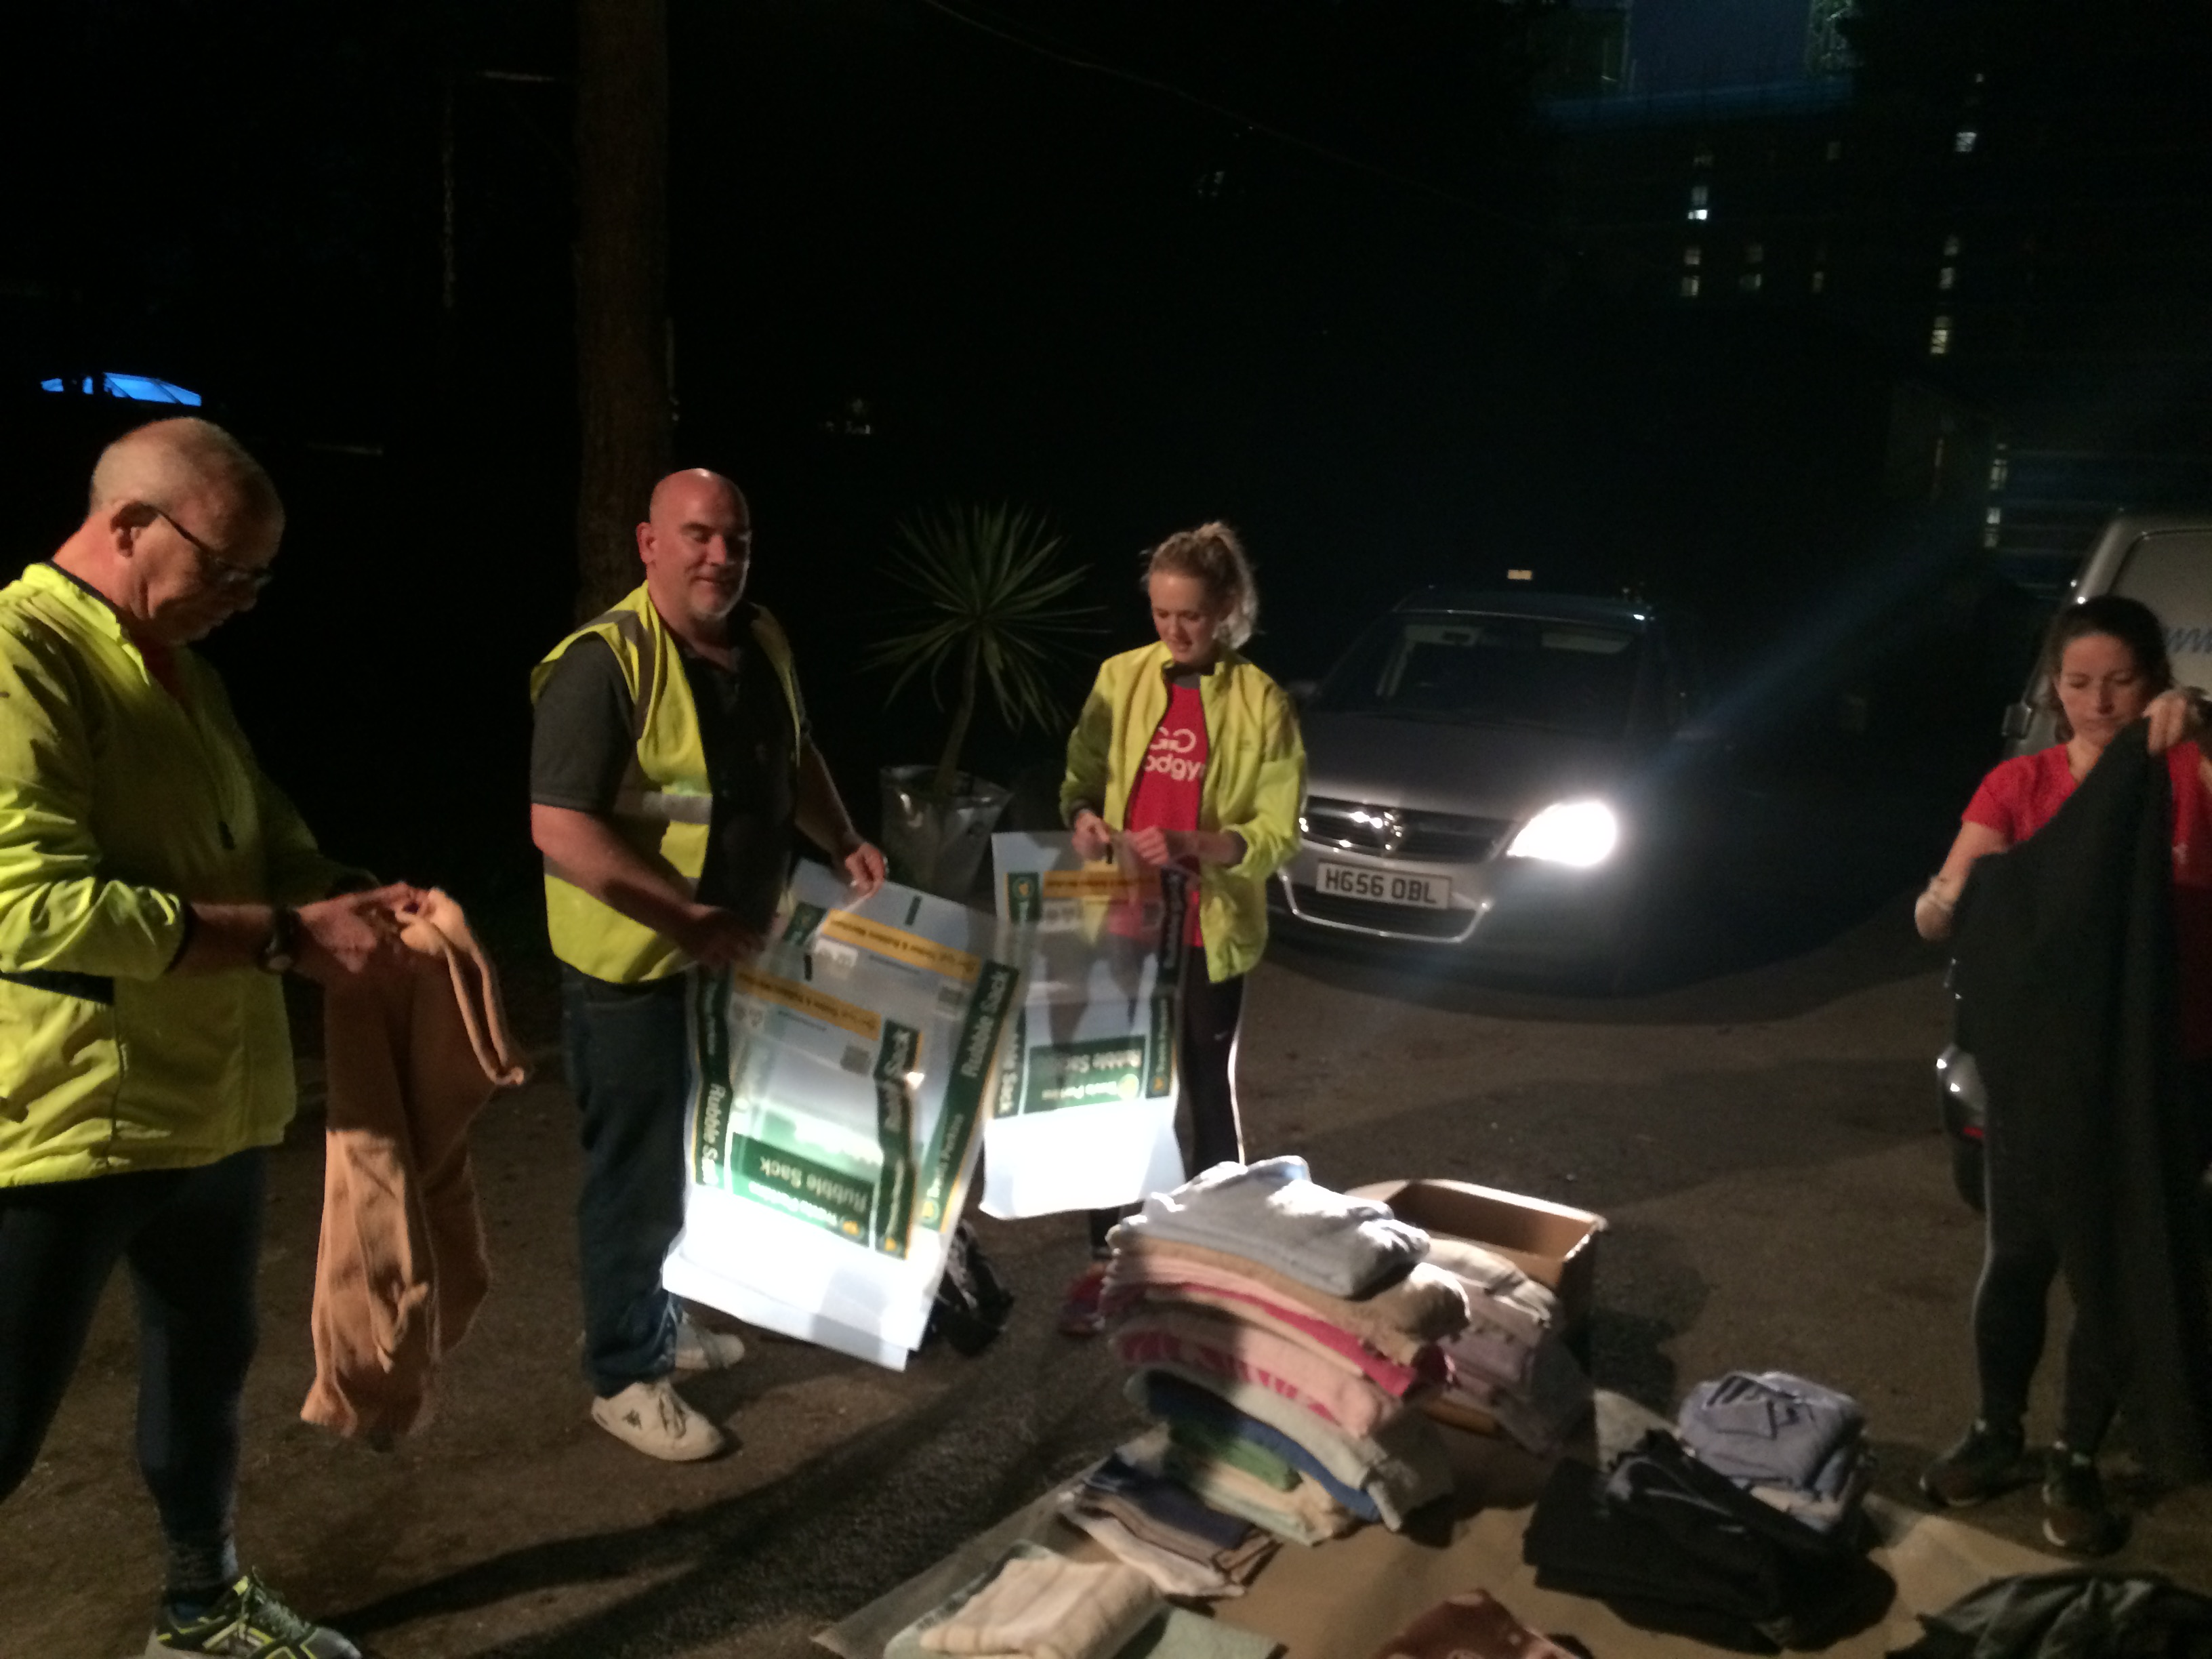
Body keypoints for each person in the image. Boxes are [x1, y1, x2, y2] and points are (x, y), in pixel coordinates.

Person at [0, 418, 424, 1659]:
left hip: (212, 1106)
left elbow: (262, 835)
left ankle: (203, 1605)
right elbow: (25, 903)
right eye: (226, 570)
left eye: (258, 580)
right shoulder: (24, 652)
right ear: (129, 523)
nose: (242, 602)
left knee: (205, 1365)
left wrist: (344, 891)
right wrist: (285, 935)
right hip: (75, 1115)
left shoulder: (181, 661)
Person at [530, 468, 886, 1460]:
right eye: (696, 537)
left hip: (724, 955)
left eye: (734, 539)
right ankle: (620, 1374)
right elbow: (557, 826)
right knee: (633, 1173)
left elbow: (793, 756)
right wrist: (682, 917)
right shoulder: (603, 665)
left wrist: (840, 836)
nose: (718, 558)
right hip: (629, 970)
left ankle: (651, 1316)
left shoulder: (760, 639)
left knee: (691, 1149)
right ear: (648, 545)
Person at [1914, 593, 2212, 1555]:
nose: (2099, 701)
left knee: (2115, 1264)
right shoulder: (2021, 785)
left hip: (2169, 1067)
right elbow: (1958, 896)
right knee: (2021, 1253)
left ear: (2157, 683)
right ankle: (1998, 1432)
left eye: (2121, 681)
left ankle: (2075, 1453)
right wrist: (1946, 902)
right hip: (2038, 1071)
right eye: (2079, 683)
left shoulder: (2192, 779)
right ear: (2053, 689)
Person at [1054, 522, 1306, 1334]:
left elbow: (1278, 830)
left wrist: (1201, 844)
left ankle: (1213, 1254)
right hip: (1124, 914)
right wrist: (1086, 817)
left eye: (1190, 616)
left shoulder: (1261, 700)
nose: (1173, 630)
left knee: (1205, 1084)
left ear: (1226, 608)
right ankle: (1110, 1260)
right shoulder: (1120, 679)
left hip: (1209, 924)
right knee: (1115, 1091)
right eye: (1161, 615)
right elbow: (1079, 778)